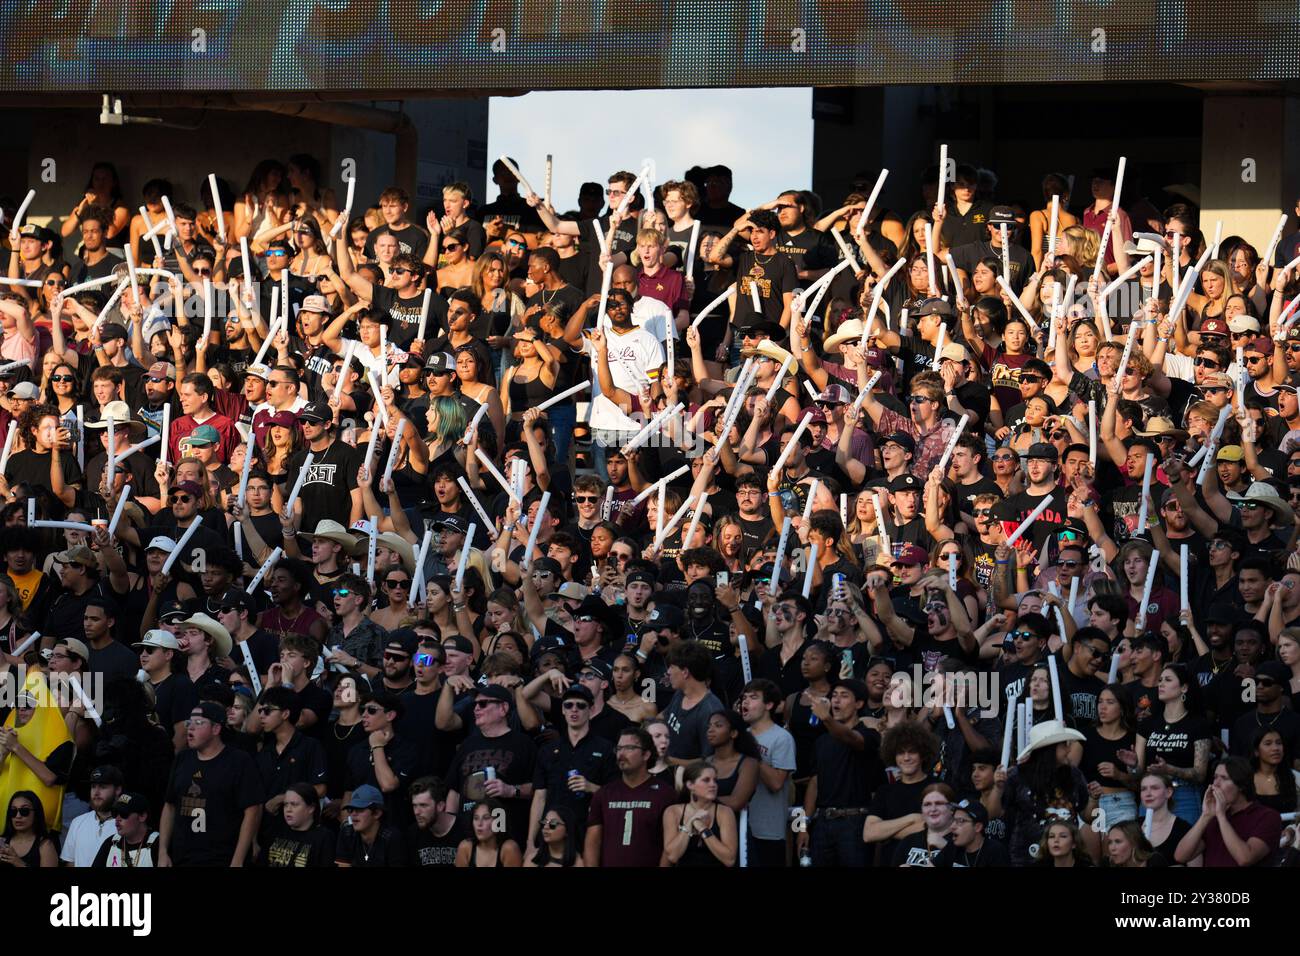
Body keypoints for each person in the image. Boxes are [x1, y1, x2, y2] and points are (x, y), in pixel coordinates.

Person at [158, 701, 263, 867]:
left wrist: (238, 859)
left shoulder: (239, 761)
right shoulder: (182, 759)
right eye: (189, 723)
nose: (190, 728)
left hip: (222, 857)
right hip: (182, 856)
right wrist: (163, 851)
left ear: (216, 729)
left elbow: (252, 812)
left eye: (198, 723)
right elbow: (170, 806)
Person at [584, 727, 678, 867]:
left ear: (646, 755)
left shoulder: (665, 794)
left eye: (629, 748)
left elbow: (669, 846)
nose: (621, 753)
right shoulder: (604, 794)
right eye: (619, 748)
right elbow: (592, 843)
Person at [1175, 757, 1282, 867]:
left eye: (1224, 778)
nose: (1215, 784)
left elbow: (1245, 858)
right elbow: (1181, 856)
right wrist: (1205, 816)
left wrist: (1221, 817)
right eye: (1215, 777)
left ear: (1241, 785)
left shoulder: (1267, 816)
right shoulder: (1213, 817)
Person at [660, 762, 738, 866]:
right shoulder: (673, 811)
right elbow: (672, 856)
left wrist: (702, 828)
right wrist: (688, 825)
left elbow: (729, 860)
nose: (713, 784)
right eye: (706, 780)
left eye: (715, 780)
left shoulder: (724, 812)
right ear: (690, 785)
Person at [258, 782, 335, 867]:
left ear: (311, 808)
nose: (288, 809)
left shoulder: (324, 837)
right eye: (285, 805)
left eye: (294, 804)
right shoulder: (276, 831)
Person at [933, 797, 1011, 867]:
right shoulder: (952, 847)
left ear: (977, 827)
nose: (952, 826)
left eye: (960, 821)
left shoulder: (995, 852)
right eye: (953, 820)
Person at [91, 792, 160, 868]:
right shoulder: (110, 843)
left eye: (124, 814)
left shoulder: (158, 845)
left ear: (142, 816)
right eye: (115, 813)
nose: (117, 819)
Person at [454, 799, 523, 868]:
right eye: (476, 818)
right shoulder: (465, 847)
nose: (479, 824)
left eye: (486, 818)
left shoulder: (509, 849)